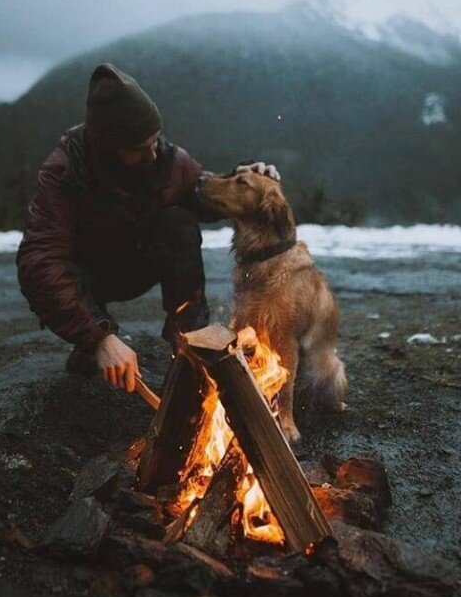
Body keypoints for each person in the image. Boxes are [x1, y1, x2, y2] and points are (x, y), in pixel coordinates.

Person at [16, 63, 279, 393]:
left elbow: (203, 190)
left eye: (155, 141)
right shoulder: (66, 171)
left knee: (178, 223)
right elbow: (38, 261)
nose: (152, 154)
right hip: (90, 275)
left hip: (137, 263)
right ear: (107, 147)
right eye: (138, 149)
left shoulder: (167, 159)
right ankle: (89, 342)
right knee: (62, 276)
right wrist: (99, 337)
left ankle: (191, 344)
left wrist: (245, 180)